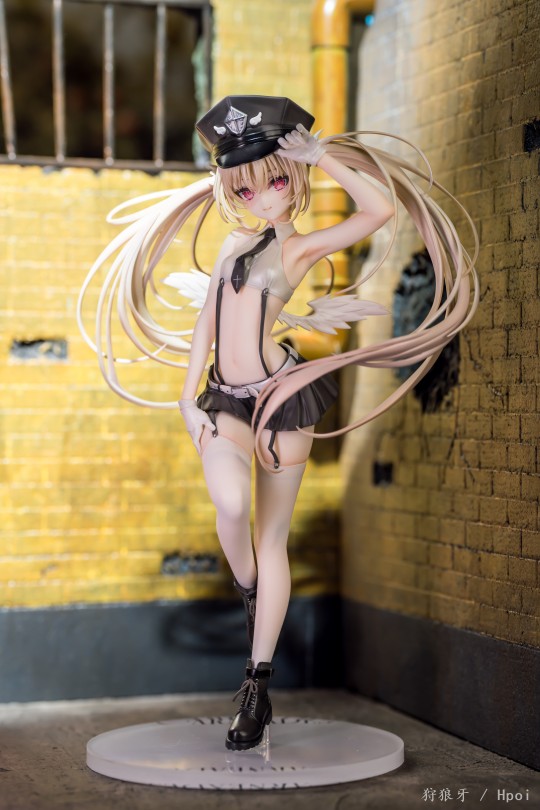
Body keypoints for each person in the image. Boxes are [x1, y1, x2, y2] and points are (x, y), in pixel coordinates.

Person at [77, 94, 478, 752]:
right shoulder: (234, 243)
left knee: (270, 538)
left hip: (281, 400)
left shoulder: (298, 249)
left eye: (277, 181)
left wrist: (321, 157)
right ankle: (250, 595)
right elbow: (206, 324)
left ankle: (256, 687)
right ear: (231, 189)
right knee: (230, 505)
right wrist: (186, 398)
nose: (263, 196)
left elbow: (379, 211)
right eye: (247, 186)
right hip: (224, 400)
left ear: (294, 181)